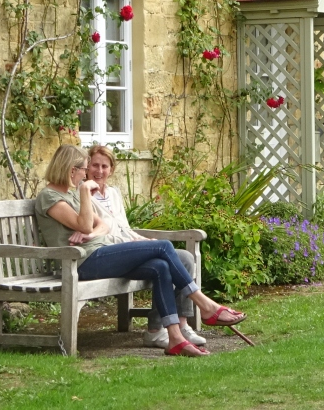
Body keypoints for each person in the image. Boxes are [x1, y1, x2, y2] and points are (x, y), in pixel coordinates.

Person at [34, 144, 246, 357]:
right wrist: (85, 202)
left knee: (160, 267)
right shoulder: (50, 197)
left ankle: (175, 338)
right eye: (84, 168)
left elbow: (101, 226)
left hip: (100, 252)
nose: (86, 173)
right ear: (72, 169)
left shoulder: (71, 195)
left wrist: (89, 230)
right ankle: (205, 305)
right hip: (81, 262)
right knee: (163, 246)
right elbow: (87, 224)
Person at [85, 144, 207, 350]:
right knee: (163, 262)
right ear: (87, 167)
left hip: (130, 247)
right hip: (112, 253)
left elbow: (124, 227)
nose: (99, 171)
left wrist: (142, 239)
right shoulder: (84, 195)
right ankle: (160, 327)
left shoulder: (113, 194)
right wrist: (139, 244)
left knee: (185, 257)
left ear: (111, 169)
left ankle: (182, 324)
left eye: (104, 166)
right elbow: (102, 233)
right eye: (95, 165)